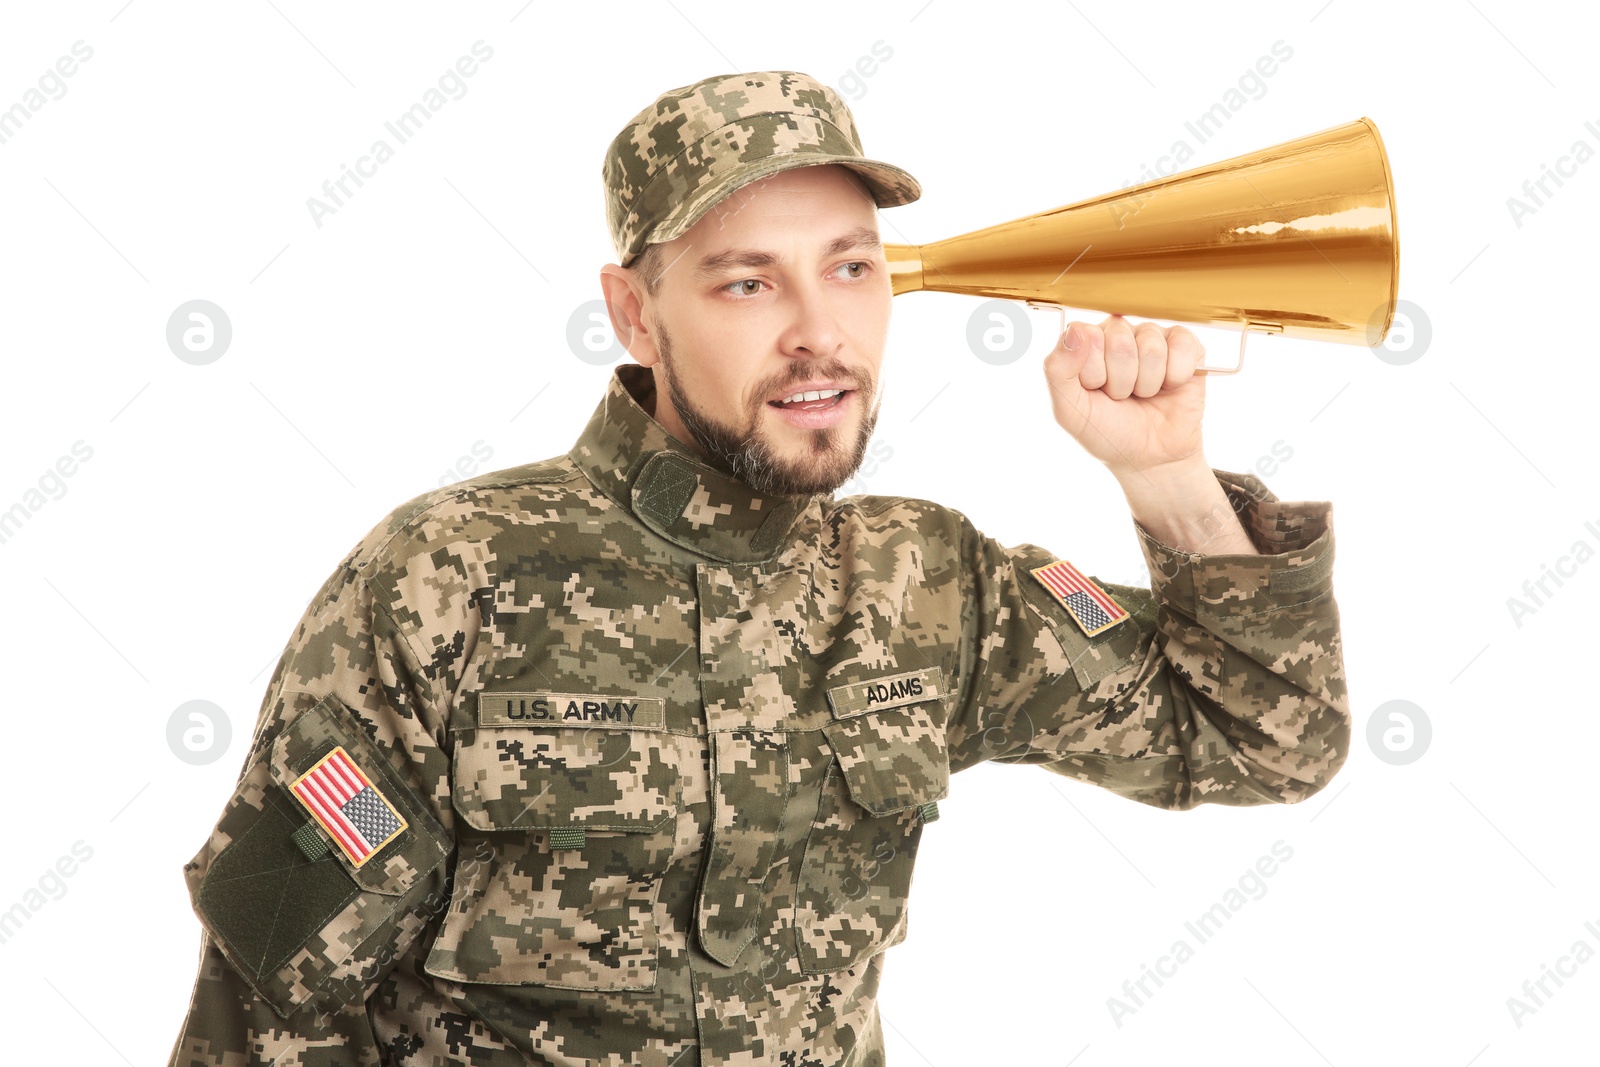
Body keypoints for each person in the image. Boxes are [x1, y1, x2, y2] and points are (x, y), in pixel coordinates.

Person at [165, 69, 1350, 1067]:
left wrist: (1166, 478)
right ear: (636, 314)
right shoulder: (446, 574)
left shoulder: (925, 579)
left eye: (849, 268)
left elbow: (1265, 737)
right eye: (746, 281)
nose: (818, 333)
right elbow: (271, 998)